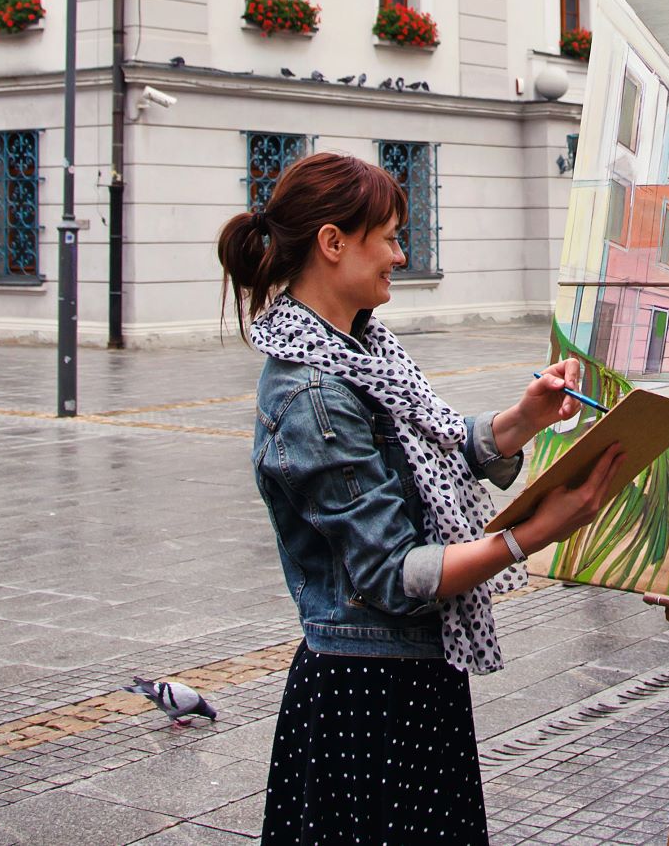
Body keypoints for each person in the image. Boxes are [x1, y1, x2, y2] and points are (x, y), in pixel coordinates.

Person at [220, 151, 625, 845]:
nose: (400, 256)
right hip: (366, 700)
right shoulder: (313, 392)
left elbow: (437, 441)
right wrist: (529, 534)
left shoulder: (364, 351)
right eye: (390, 237)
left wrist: (525, 416)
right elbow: (394, 575)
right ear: (333, 242)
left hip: (406, 681)